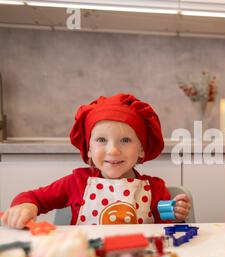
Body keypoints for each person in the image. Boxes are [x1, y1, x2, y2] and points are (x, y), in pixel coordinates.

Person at [1, 93, 191, 228]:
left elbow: (167, 231)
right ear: (89, 148)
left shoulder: (155, 189)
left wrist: (175, 214)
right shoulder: (76, 183)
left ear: (141, 149)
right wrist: (25, 206)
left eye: (125, 140)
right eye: (101, 140)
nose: (113, 150)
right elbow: (35, 198)